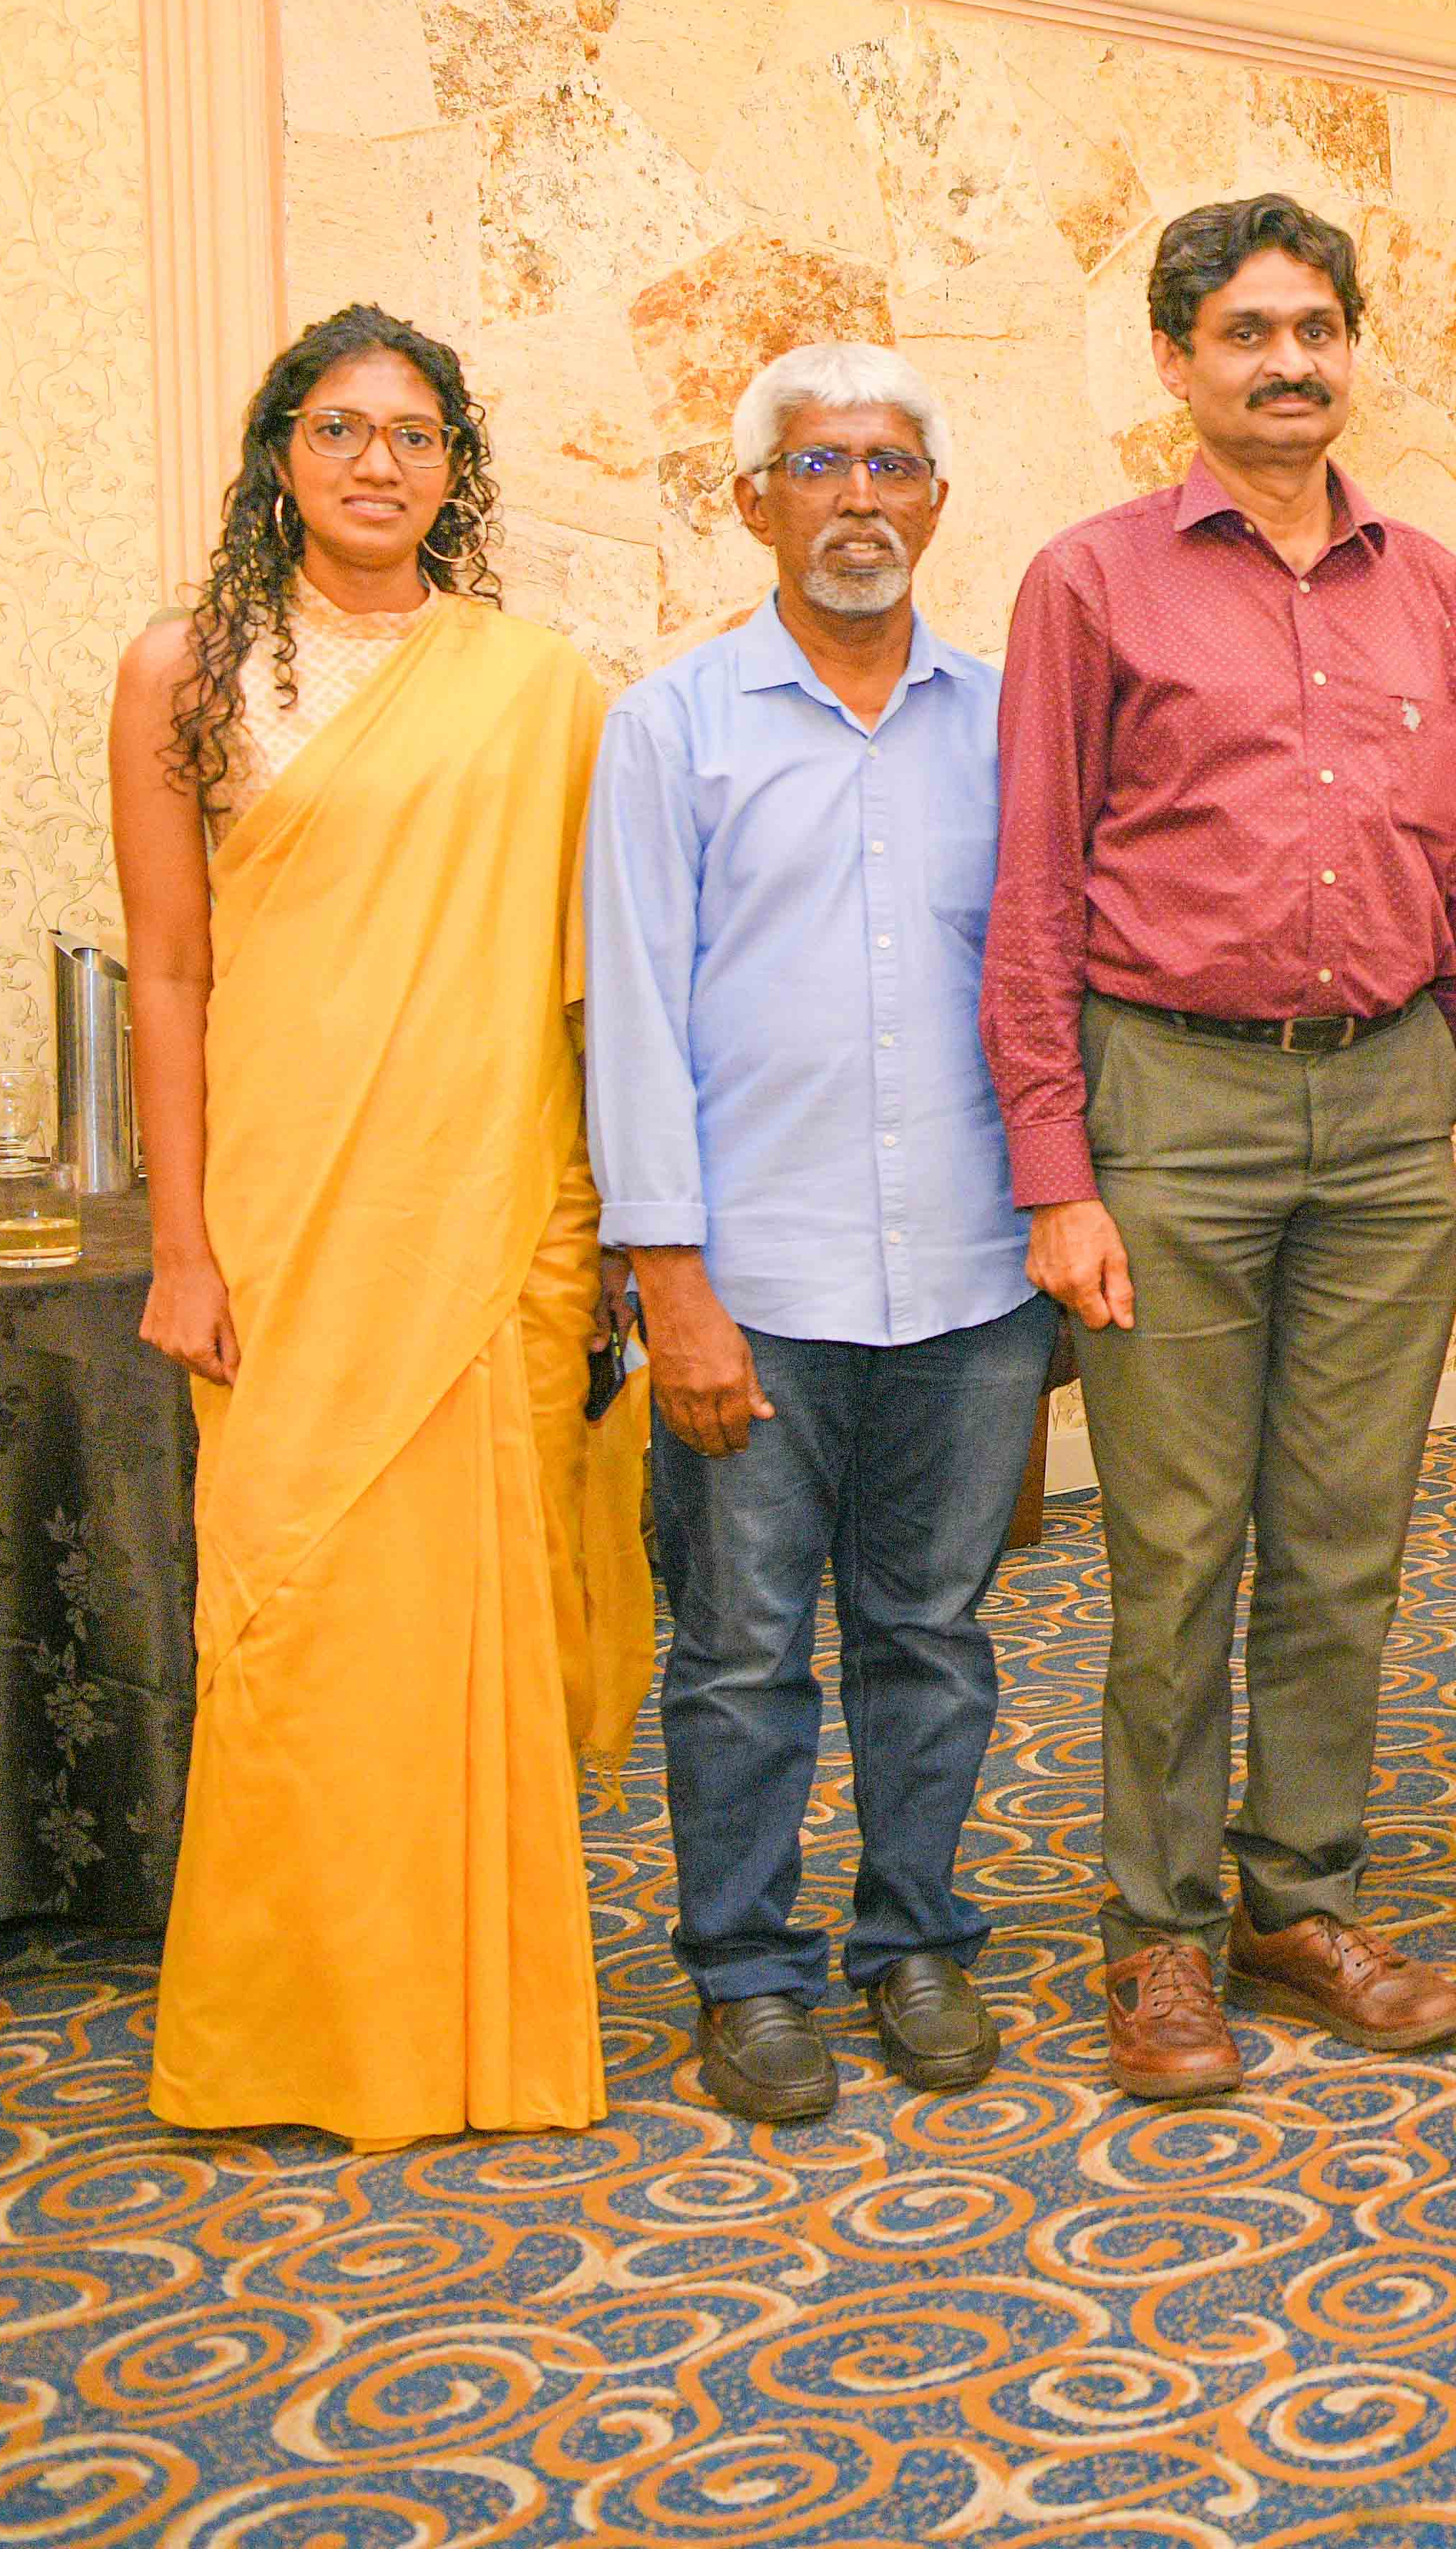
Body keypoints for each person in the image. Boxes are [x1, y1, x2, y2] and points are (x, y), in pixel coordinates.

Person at [984, 195, 1456, 2103]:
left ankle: (1298, 1902)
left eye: (1316, 328)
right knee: (1172, 1548)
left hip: (1388, 1113)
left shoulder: (1434, 589)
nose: (1288, 362)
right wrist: (1057, 1176)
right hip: (1174, 1108)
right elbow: (1034, 894)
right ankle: (1152, 1933)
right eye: (1245, 331)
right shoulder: (1090, 583)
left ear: (1352, 348)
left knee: (1345, 1546)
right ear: (1176, 360)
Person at [108, 304, 649, 2145]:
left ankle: (474, 2028)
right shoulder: (184, 671)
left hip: (481, 1216)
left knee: (459, 1629)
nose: (376, 463)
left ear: (455, 473)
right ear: (281, 455)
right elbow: (168, 974)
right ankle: (287, 2032)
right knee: (287, 1613)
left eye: (415, 436)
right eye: (339, 427)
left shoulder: (537, 689)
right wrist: (183, 1247)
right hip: (283, 1215)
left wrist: (608, 1232)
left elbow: (591, 986)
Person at [588, 343, 1051, 2121]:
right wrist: (672, 1285)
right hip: (756, 1283)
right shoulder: (673, 728)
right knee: (739, 1651)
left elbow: (1048, 991)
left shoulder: (1009, 726)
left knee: (932, 1636)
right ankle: (748, 1971)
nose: (859, 497)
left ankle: (916, 1941)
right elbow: (633, 1017)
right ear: (752, 503)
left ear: (936, 502)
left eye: (890, 465)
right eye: (818, 465)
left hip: (971, 1276)